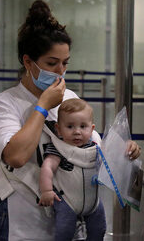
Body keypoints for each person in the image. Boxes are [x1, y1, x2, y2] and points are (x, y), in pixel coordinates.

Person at [0, 0, 141, 241]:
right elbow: (16, 156)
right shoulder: (4, 103)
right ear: (28, 62)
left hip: (67, 219)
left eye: (65, 63)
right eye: (51, 63)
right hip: (20, 219)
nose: (60, 71)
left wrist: (124, 150)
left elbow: (91, 146)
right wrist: (43, 105)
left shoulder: (70, 99)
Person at [38, 99, 105, 241]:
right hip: (67, 200)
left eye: (83, 126)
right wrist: (46, 191)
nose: (77, 132)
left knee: (99, 229)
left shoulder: (95, 147)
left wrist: (126, 149)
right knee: (64, 230)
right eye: (70, 126)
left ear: (92, 129)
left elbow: (110, 160)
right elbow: (48, 167)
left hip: (93, 202)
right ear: (58, 129)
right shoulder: (59, 148)